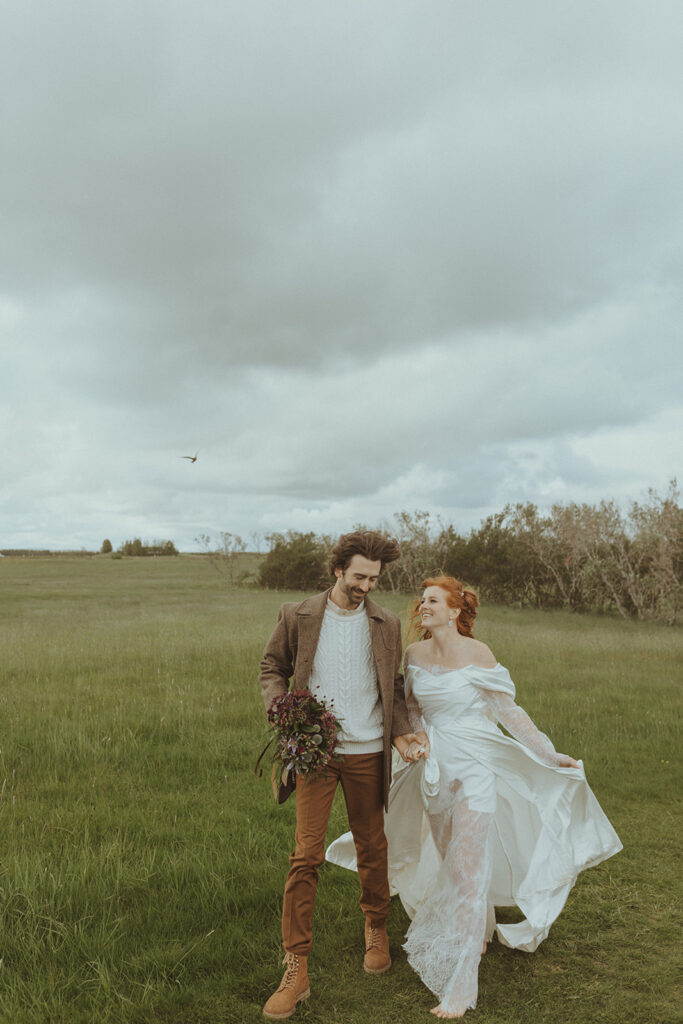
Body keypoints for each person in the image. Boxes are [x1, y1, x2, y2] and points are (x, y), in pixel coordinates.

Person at [327, 575, 622, 1018]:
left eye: (432, 601)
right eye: (422, 601)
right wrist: (419, 740)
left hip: (477, 768)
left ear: (454, 611)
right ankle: (480, 930)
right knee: (453, 862)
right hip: (435, 771)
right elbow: (411, 710)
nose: (422, 607)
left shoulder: (479, 654)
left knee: (468, 870)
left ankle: (462, 985)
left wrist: (547, 752)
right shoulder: (415, 654)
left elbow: (509, 713)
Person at [258, 531, 428, 1020]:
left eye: (374, 579)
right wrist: (282, 709)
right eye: (358, 577)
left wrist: (399, 733)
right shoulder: (298, 614)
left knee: (373, 846)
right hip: (316, 755)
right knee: (306, 854)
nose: (366, 586)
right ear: (337, 570)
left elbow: (392, 685)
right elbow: (273, 667)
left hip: (368, 752)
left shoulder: (387, 622)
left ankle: (376, 926)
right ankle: (296, 967)